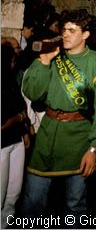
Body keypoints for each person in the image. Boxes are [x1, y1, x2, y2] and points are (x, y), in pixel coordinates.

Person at [20, 9, 96, 224]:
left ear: (86, 34)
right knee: (33, 202)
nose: (66, 34)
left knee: (75, 204)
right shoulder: (52, 56)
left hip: (79, 138)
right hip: (48, 136)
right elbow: (33, 93)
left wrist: (93, 148)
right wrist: (43, 61)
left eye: (72, 30)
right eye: (64, 30)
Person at [1, 44, 31, 229]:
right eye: (11, 60)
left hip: (16, 141)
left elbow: (20, 107)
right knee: (1, 192)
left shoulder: (10, 81)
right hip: (2, 145)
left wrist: (24, 132)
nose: (14, 63)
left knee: (14, 192)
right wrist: (20, 118)